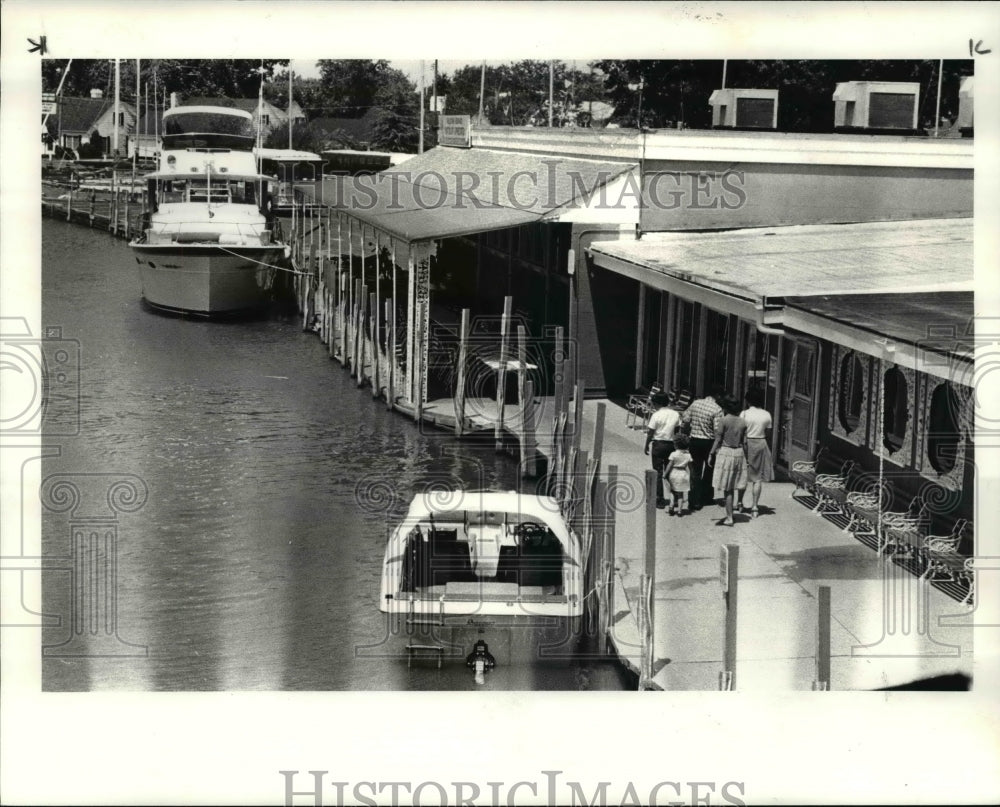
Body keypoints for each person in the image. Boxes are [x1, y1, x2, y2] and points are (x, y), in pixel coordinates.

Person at [681, 385, 724, 510]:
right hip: (709, 442)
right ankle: (706, 496)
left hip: (695, 440)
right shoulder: (717, 409)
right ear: (717, 396)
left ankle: (694, 500)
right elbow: (717, 430)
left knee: (695, 471)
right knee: (709, 470)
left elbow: (686, 419)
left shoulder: (695, 403)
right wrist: (718, 446)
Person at [710, 395, 748, 527]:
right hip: (739, 452)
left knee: (727, 488)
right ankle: (735, 509)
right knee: (734, 484)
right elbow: (745, 442)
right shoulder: (743, 422)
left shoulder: (723, 420)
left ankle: (729, 517)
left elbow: (718, 439)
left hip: (726, 452)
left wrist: (711, 453)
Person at [737, 387, 774, 518]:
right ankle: (754, 507)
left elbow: (740, 432)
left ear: (748, 401)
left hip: (747, 443)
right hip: (761, 443)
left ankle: (740, 503)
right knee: (757, 478)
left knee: (743, 475)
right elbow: (768, 433)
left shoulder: (744, 414)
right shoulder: (766, 414)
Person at [644, 392, 680, 508]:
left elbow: (650, 432)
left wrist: (646, 444)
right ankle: (674, 498)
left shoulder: (656, 415)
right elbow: (677, 430)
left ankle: (659, 499)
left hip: (659, 444)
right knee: (671, 472)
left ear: (657, 403)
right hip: (671, 445)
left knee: (658, 472)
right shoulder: (675, 414)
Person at [664, 433, 693, 515]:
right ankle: (680, 510)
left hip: (674, 473)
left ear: (675, 445)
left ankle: (671, 505)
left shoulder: (673, 454)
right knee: (681, 493)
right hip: (683, 474)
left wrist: (665, 474)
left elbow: (669, 465)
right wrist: (692, 475)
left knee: (672, 491)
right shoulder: (688, 455)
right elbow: (691, 467)